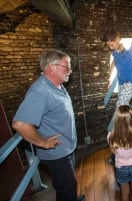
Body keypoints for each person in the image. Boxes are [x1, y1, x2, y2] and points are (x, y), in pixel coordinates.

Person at [12, 50, 85, 201]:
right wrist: (43, 142)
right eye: (67, 67)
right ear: (52, 67)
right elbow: (20, 124)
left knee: (65, 183)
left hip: (65, 148)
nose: (70, 71)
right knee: (67, 185)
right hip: (56, 153)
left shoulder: (56, 85)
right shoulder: (41, 91)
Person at [107, 105, 132, 201]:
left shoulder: (110, 136)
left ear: (117, 119)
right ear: (131, 119)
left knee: (124, 191)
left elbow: (113, 152)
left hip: (120, 168)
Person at [103, 30, 132, 106]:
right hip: (121, 82)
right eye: (109, 45)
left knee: (120, 104)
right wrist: (110, 78)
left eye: (112, 45)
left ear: (117, 40)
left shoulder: (129, 50)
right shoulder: (115, 52)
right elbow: (114, 63)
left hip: (130, 82)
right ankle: (129, 116)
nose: (111, 47)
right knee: (124, 105)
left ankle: (125, 117)